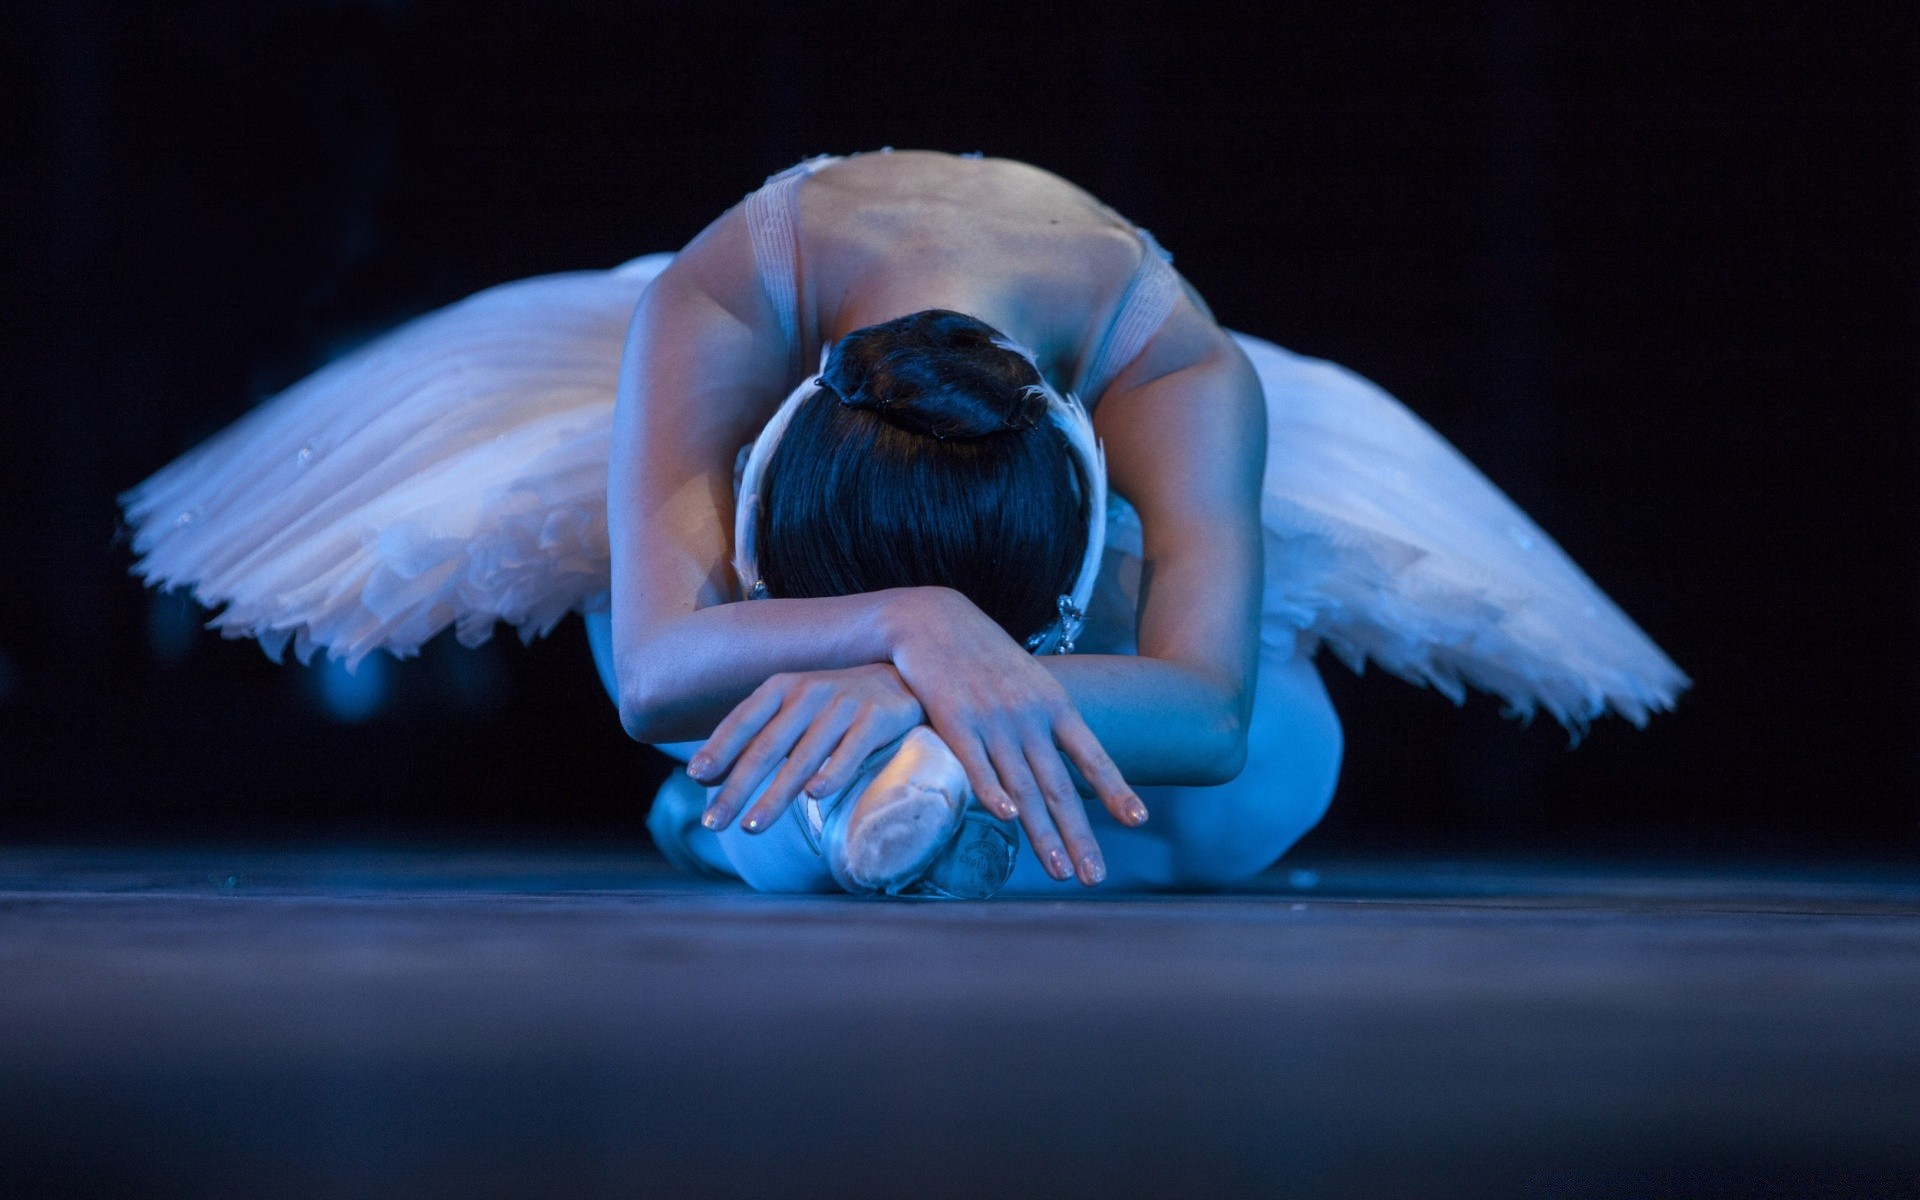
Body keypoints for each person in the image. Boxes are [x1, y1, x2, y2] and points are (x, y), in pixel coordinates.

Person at [121, 149, 1687, 898]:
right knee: (708, 672)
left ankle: (841, 802)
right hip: (764, 396)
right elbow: (659, 667)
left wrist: (919, 669)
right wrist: (916, 629)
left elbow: (1205, 710)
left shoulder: (1181, 372)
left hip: (1089, 456)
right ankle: (746, 809)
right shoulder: (730, 300)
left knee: (1262, 792)